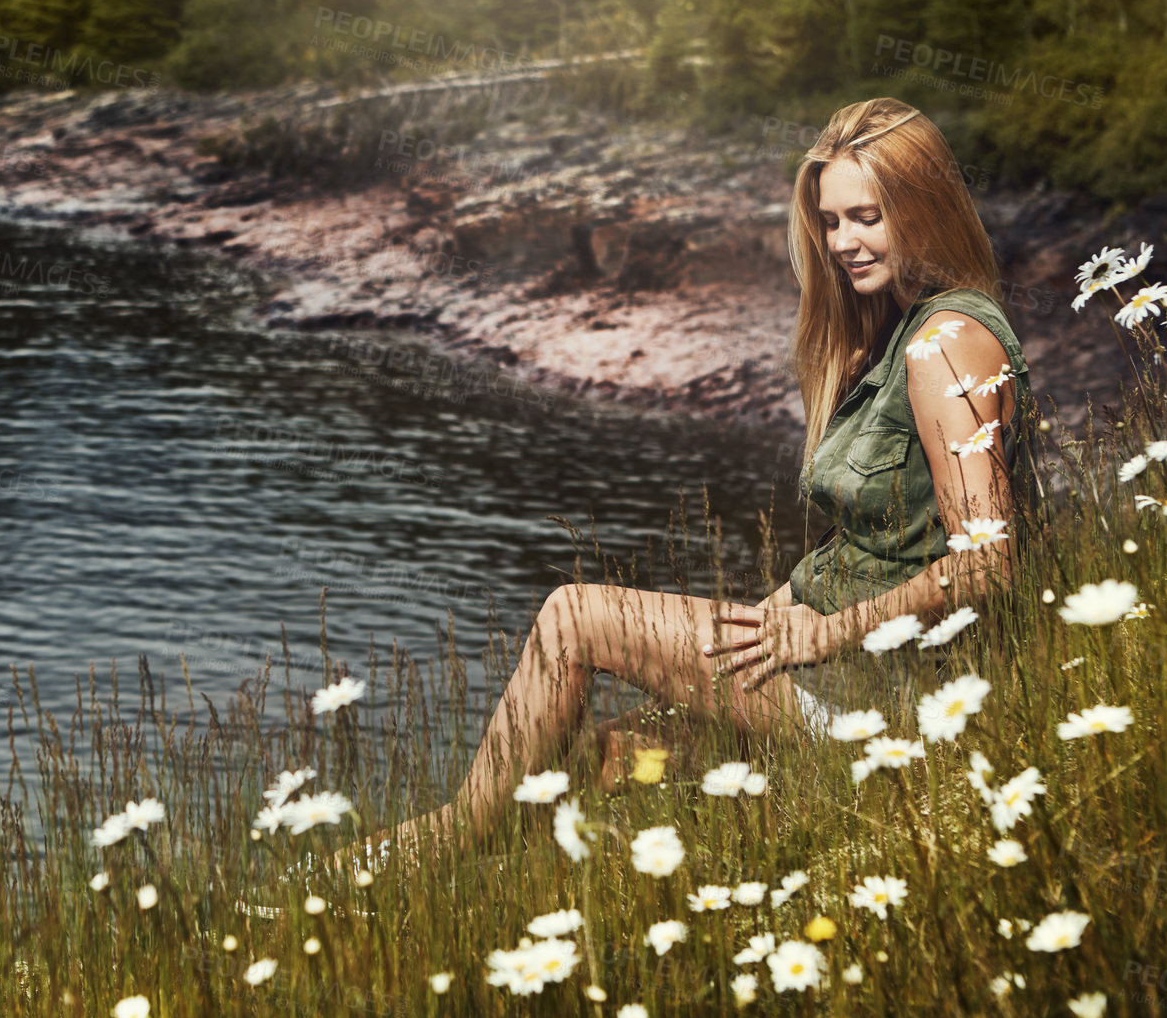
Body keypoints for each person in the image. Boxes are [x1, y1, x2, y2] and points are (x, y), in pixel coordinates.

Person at [378, 97, 1034, 854]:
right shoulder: (900, 337)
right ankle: (467, 881)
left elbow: (988, 560)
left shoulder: (945, 344)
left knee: (572, 616)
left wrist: (823, 635)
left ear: (921, 208)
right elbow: (866, 548)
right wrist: (760, 629)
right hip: (831, 662)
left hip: (883, 692)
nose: (843, 243)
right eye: (831, 221)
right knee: (608, 756)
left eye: (867, 217)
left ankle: (442, 846)